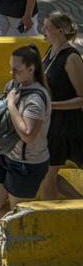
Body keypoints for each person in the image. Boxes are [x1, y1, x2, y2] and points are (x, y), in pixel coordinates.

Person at [0, 46, 51, 223]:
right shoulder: (13, 86)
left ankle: (24, 242)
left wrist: (11, 105)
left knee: (18, 216)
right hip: (7, 154)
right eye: (10, 67)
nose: (11, 73)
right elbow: (5, 115)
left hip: (26, 163)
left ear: (31, 69)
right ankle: (16, 236)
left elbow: (27, 134)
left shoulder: (36, 99)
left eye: (16, 70)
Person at [38, 12, 83, 200]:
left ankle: (50, 222)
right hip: (53, 125)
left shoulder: (71, 57)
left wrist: (52, 106)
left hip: (70, 126)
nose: (43, 32)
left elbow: (82, 99)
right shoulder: (50, 52)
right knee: (46, 175)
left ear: (61, 31)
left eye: (47, 28)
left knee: (47, 177)